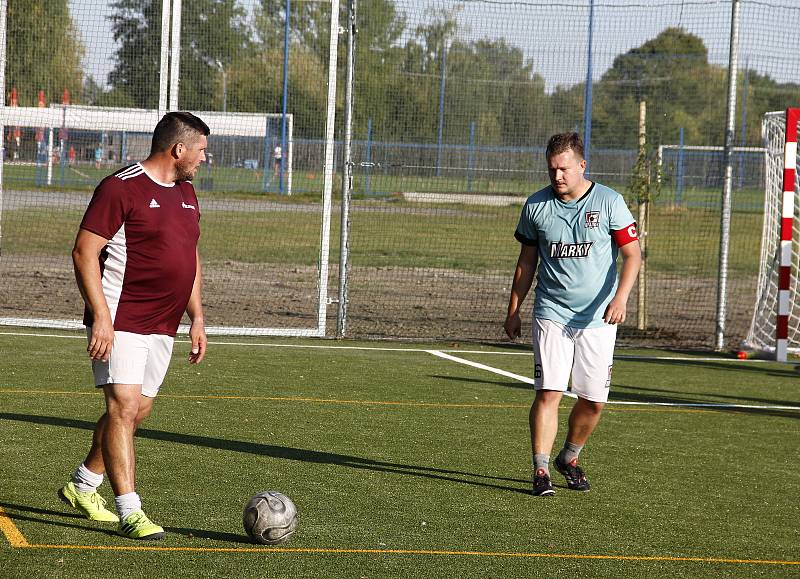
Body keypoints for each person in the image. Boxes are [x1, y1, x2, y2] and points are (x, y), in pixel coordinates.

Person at [59, 112, 210, 539]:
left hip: (164, 324)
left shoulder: (187, 193)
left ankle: (83, 484)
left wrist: (196, 317)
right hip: (120, 318)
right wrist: (101, 318)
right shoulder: (119, 188)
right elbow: (84, 253)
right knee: (122, 408)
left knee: (138, 411)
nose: (204, 158)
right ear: (178, 149)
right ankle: (131, 511)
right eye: (200, 150)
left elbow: (190, 258)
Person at [504, 132, 641, 497]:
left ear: (582, 165)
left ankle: (570, 457)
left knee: (594, 401)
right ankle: (541, 469)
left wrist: (621, 298)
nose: (557, 176)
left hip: (599, 318)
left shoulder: (610, 202)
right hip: (552, 312)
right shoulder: (535, 206)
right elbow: (526, 262)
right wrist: (514, 310)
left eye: (564, 168)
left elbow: (633, 255)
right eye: (551, 169)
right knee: (549, 391)